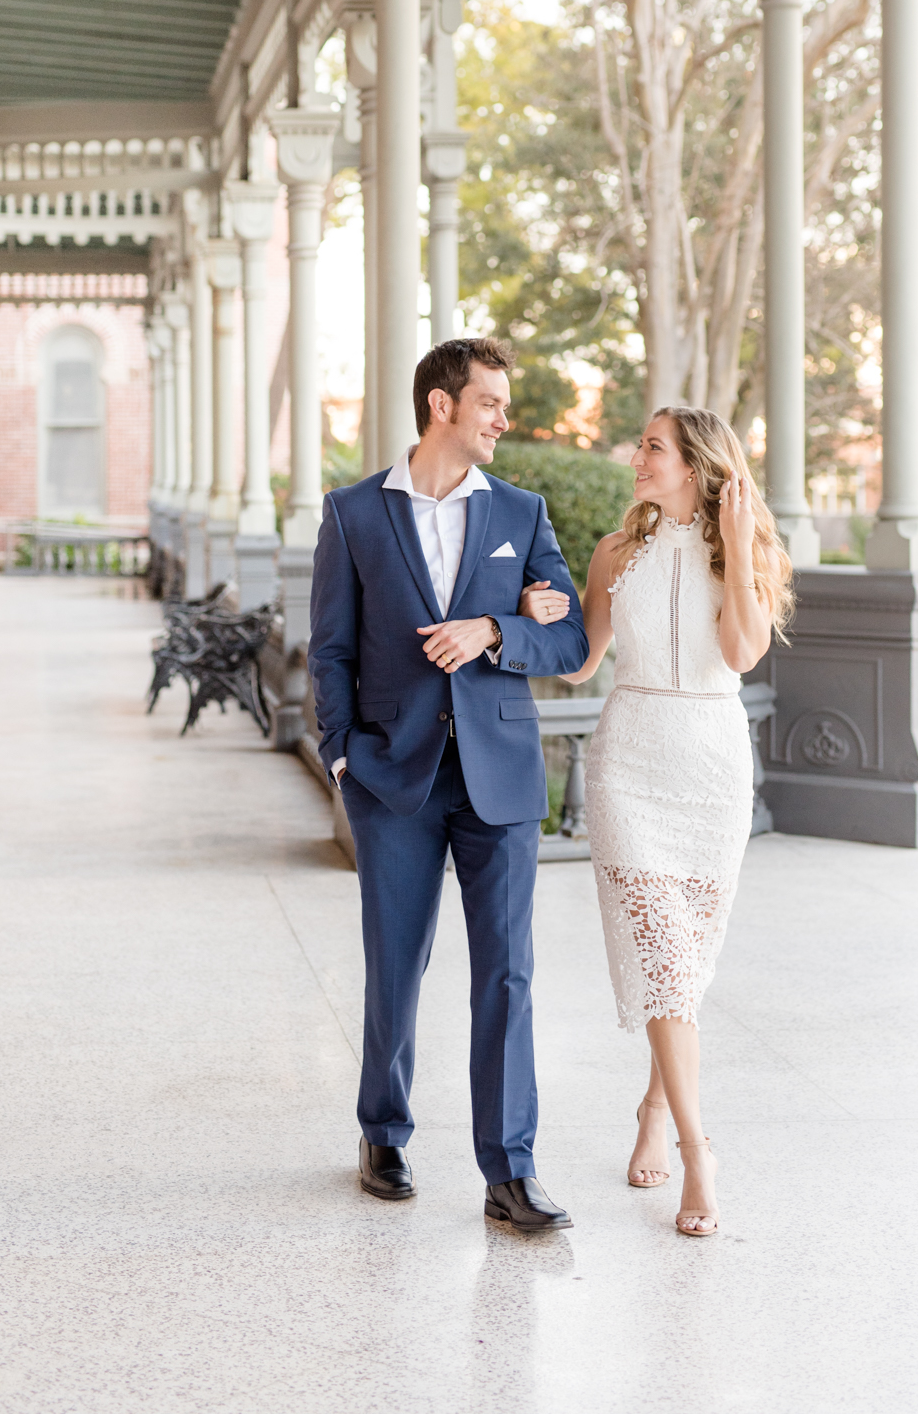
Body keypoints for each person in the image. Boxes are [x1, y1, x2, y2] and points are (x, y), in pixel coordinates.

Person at [308, 336, 589, 1232]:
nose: (505, 420)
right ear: (443, 406)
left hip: (498, 776)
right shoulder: (353, 513)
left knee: (506, 973)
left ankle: (510, 1171)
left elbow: (570, 640)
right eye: (492, 405)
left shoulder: (522, 511)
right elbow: (331, 648)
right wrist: (344, 754)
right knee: (396, 966)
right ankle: (382, 1131)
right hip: (391, 778)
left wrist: (494, 629)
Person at [533, 407, 792, 1238]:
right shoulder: (616, 553)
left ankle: (651, 1104)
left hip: (710, 766)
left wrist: (739, 539)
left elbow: (744, 652)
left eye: (651, 447)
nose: (635, 457)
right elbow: (579, 662)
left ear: (695, 464)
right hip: (629, 765)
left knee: (685, 965)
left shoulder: (741, 552)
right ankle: (696, 1151)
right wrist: (541, 615)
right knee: (660, 955)